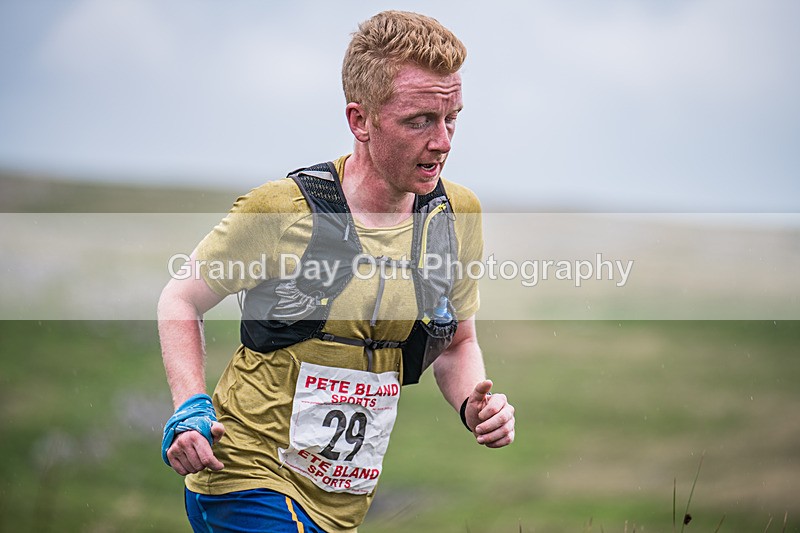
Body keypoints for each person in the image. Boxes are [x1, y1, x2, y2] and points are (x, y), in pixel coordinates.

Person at [158, 10, 515, 533]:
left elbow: (457, 344)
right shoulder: (281, 209)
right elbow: (179, 298)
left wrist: (475, 404)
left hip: (339, 506)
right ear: (360, 120)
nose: (443, 140)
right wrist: (189, 406)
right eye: (419, 120)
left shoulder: (455, 216)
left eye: (452, 118)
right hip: (243, 476)